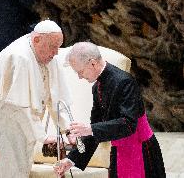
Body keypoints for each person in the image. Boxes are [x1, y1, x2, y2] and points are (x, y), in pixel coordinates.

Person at [54, 42, 166, 178]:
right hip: (119, 151)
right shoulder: (97, 87)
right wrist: (71, 160)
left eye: (80, 71)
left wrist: (90, 128)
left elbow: (129, 124)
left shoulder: (125, 81)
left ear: (93, 63)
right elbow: (95, 128)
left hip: (141, 151)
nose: (80, 76)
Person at [0, 19, 71, 178]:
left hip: (25, 128)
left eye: (58, 47)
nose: (56, 53)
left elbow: (57, 97)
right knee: (3, 171)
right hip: (4, 127)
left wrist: (68, 129)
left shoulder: (49, 56)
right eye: (53, 47)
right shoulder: (19, 57)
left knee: (21, 170)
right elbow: (19, 106)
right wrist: (43, 136)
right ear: (36, 39)